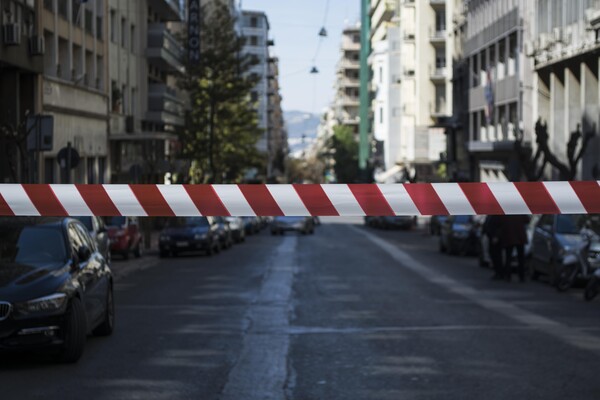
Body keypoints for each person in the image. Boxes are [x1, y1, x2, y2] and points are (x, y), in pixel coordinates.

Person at [499, 215, 530, 282]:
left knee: (508, 257)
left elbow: (501, 221)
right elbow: (527, 220)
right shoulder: (520, 211)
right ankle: (521, 276)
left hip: (509, 236)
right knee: (520, 258)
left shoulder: (506, 212)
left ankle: (508, 275)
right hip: (519, 237)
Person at [483, 215, 503, 280]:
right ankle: (497, 272)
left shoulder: (497, 215)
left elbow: (499, 225)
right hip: (491, 237)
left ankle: (499, 273)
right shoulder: (490, 215)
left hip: (495, 238)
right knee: (493, 254)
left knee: (497, 256)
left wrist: (496, 236)